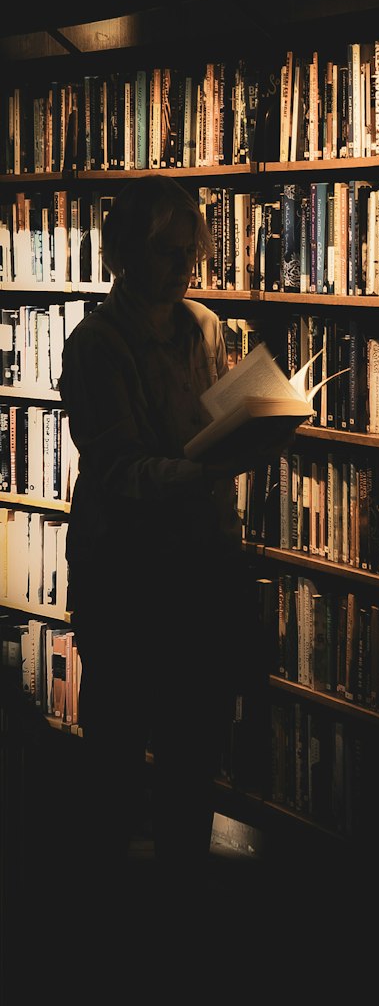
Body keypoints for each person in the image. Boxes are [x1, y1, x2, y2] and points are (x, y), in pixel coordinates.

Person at [59, 175, 263, 890]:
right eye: (167, 254)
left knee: (193, 752)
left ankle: (182, 901)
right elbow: (116, 470)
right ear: (125, 255)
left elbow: (207, 429)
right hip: (125, 577)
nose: (183, 268)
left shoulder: (204, 326)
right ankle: (99, 912)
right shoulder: (96, 345)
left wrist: (249, 432)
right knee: (116, 754)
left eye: (191, 251)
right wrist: (204, 471)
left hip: (200, 573)